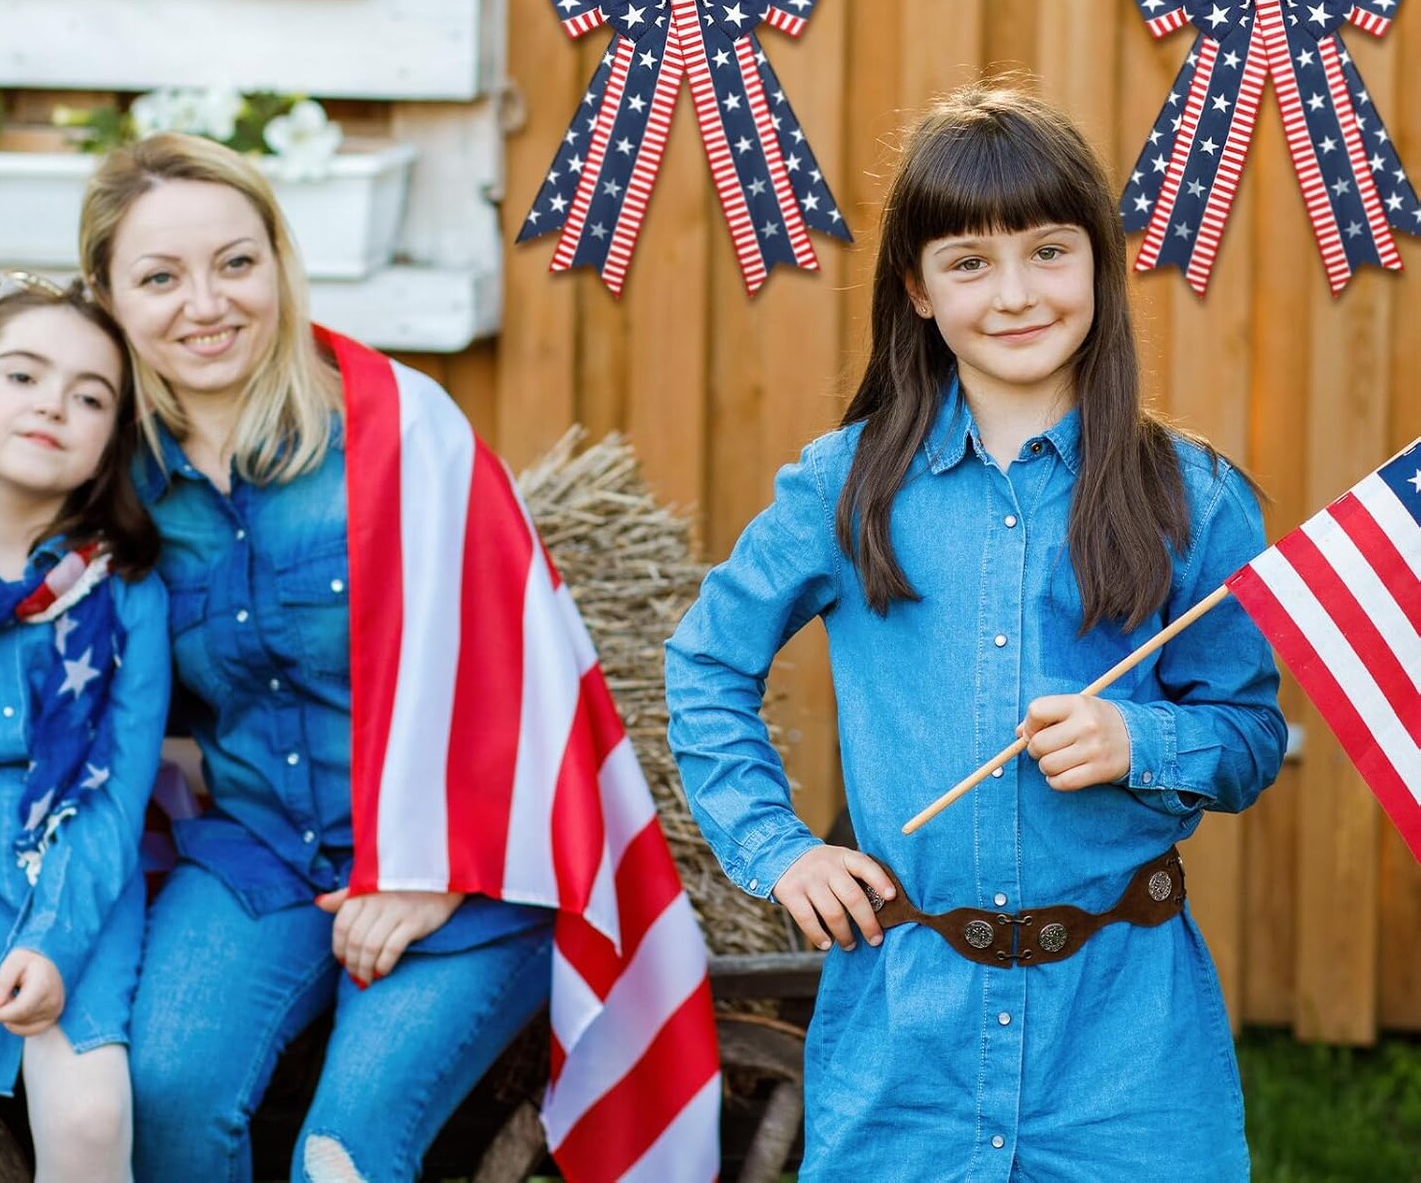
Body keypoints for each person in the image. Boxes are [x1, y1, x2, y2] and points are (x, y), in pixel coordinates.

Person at [666, 84, 1287, 1182]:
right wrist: (779, 849)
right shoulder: (842, 489)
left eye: (1049, 252)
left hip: (1125, 1037)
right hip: (907, 1030)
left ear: (1098, 260)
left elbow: (1245, 733)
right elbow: (707, 664)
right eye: (969, 263)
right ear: (915, 288)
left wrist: (1141, 743)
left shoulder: (1193, 497)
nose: (1015, 295)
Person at [78, 135, 555, 1182]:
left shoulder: (399, 433)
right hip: (259, 856)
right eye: (159, 278)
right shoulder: (118, 485)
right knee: (163, 1097)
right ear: (109, 300)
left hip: (458, 867)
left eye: (235, 263)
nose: (206, 304)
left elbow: (522, 675)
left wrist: (433, 871)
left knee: (341, 1156)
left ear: (281, 265)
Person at [0, 275, 169, 1183]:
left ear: (109, 445)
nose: (53, 403)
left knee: (91, 1118)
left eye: (90, 396)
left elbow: (117, 793)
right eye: (22, 375)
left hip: (66, 872)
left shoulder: (124, 590)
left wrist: (52, 942)